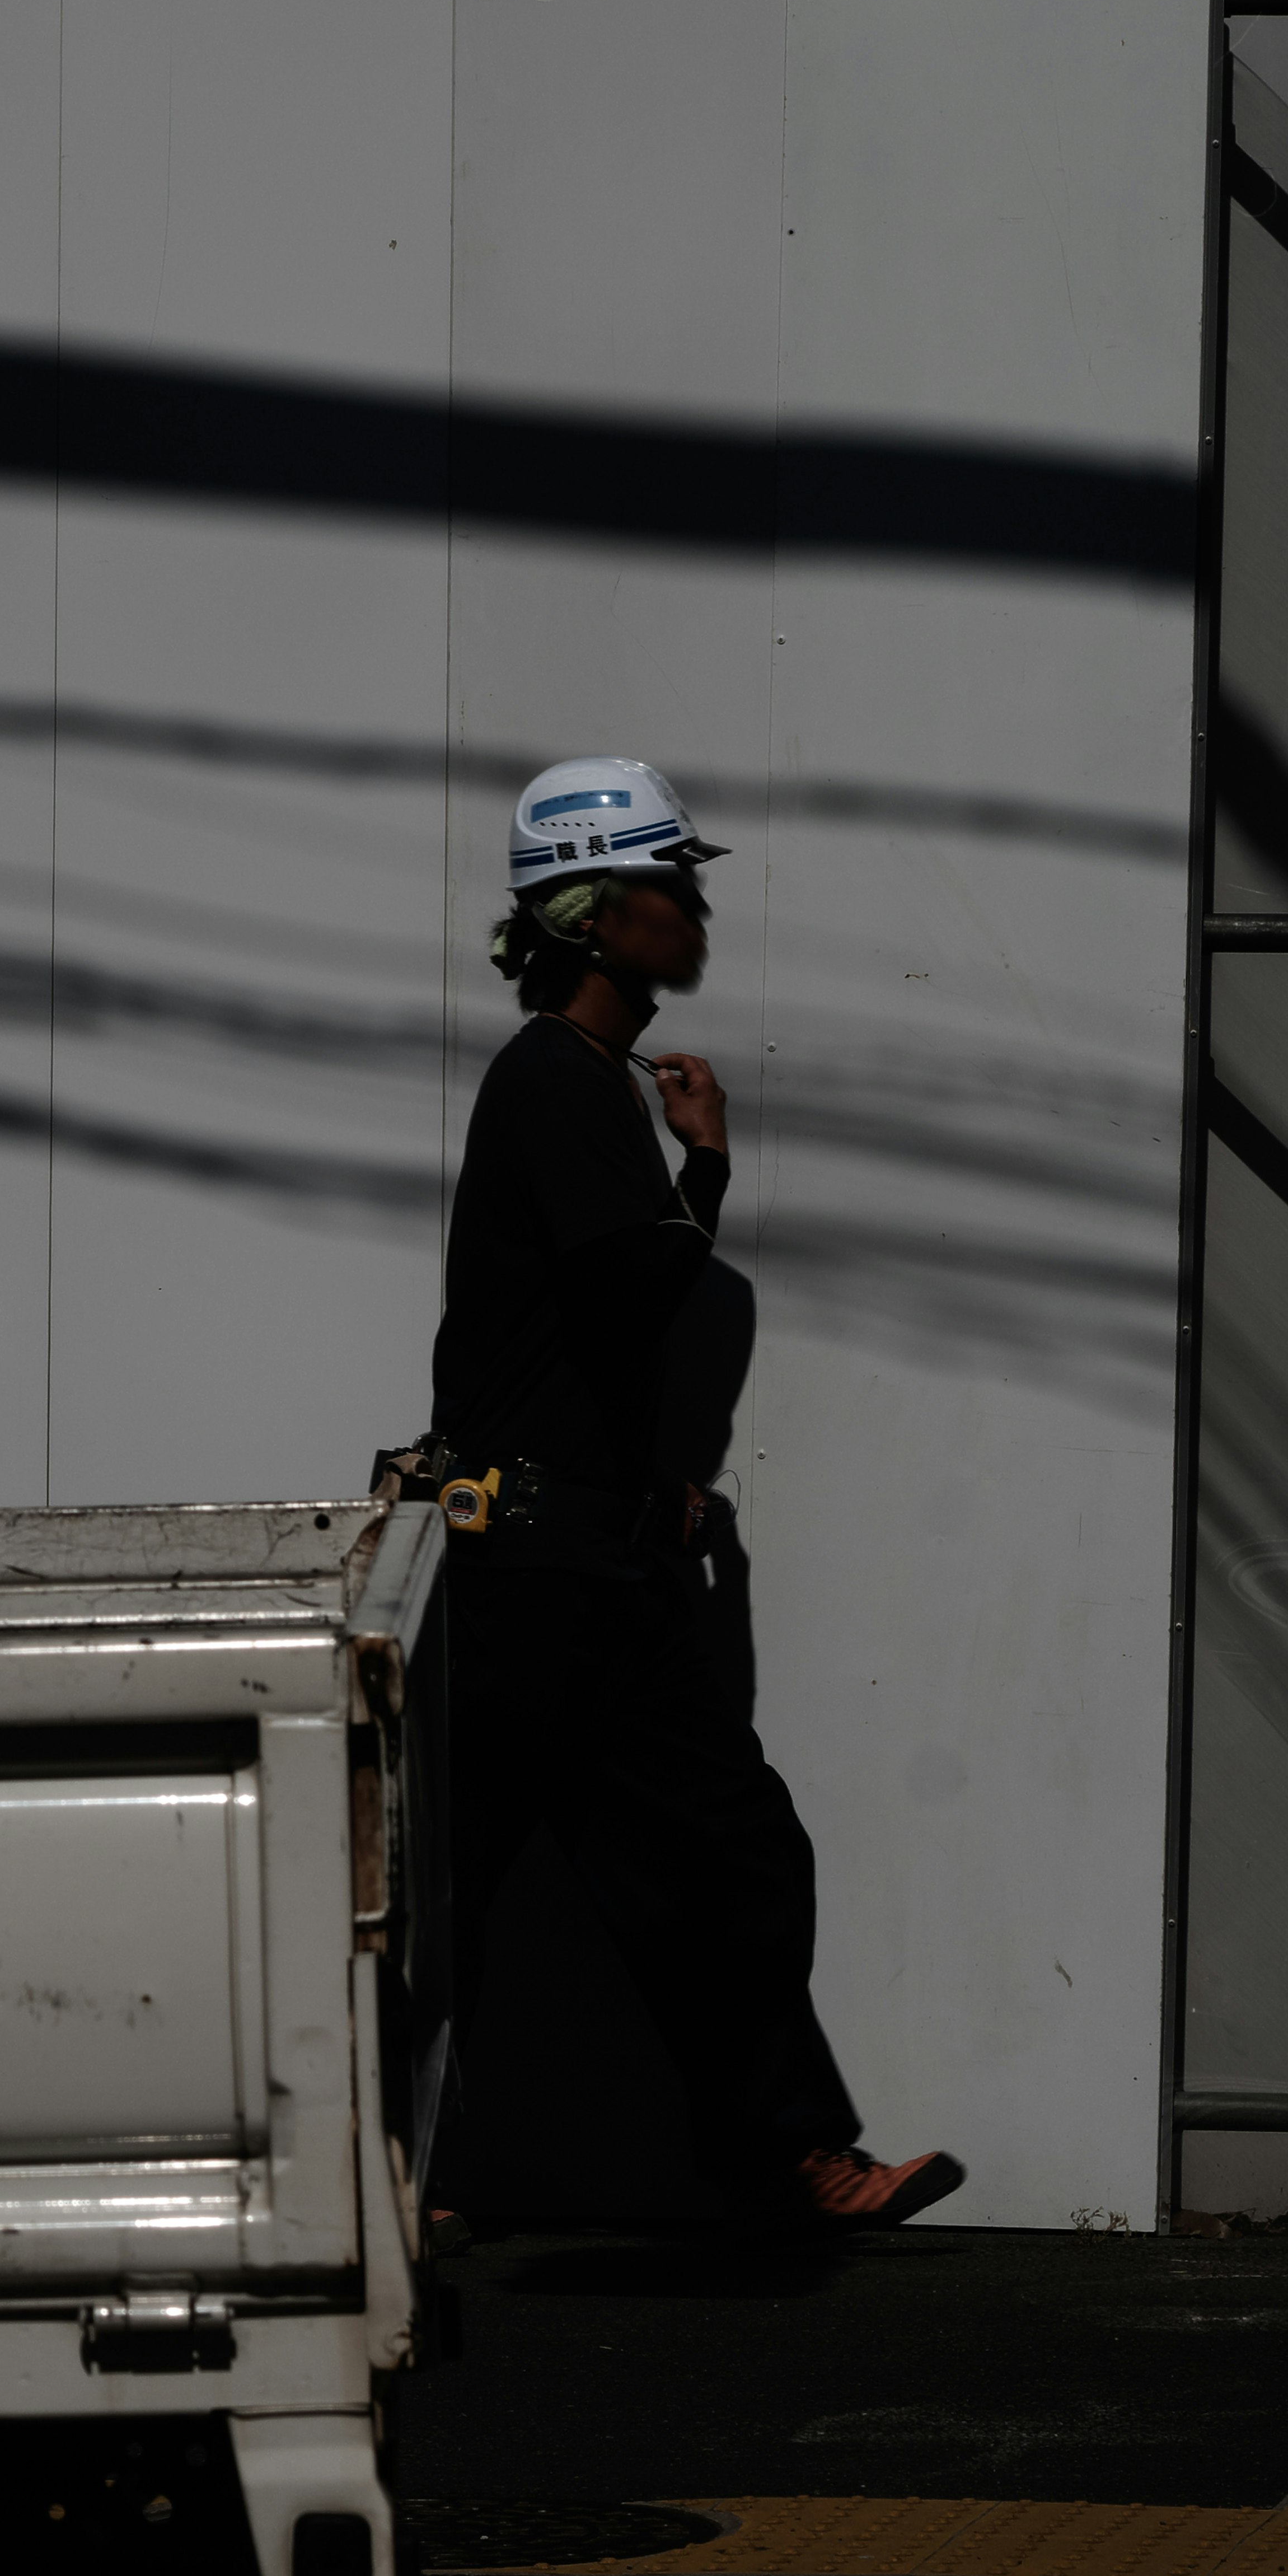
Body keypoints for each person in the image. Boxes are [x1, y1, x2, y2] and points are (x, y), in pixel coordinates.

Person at [429, 754, 964, 2231]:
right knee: (469, 1889)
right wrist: (707, 1171)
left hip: (585, 1567)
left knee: (718, 1847)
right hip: (538, 1570)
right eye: (675, 885)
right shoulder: (552, 1086)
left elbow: (634, 1301)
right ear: (600, 916)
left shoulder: (584, 1089)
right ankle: (411, 2172)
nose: (699, 909)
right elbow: (635, 1292)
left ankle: (796, 2150)